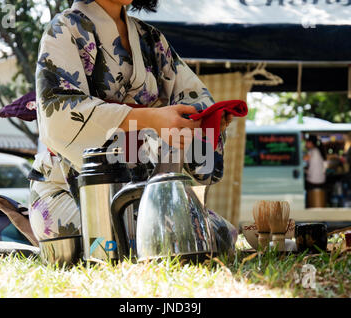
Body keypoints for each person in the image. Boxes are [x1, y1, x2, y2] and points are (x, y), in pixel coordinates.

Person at [28, 0, 237, 253]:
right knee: (138, 238)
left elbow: (194, 98)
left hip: (143, 190)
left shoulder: (151, 38)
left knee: (220, 233)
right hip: (71, 191)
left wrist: (203, 122)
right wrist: (152, 119)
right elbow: (58, 117)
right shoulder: (64, 29)